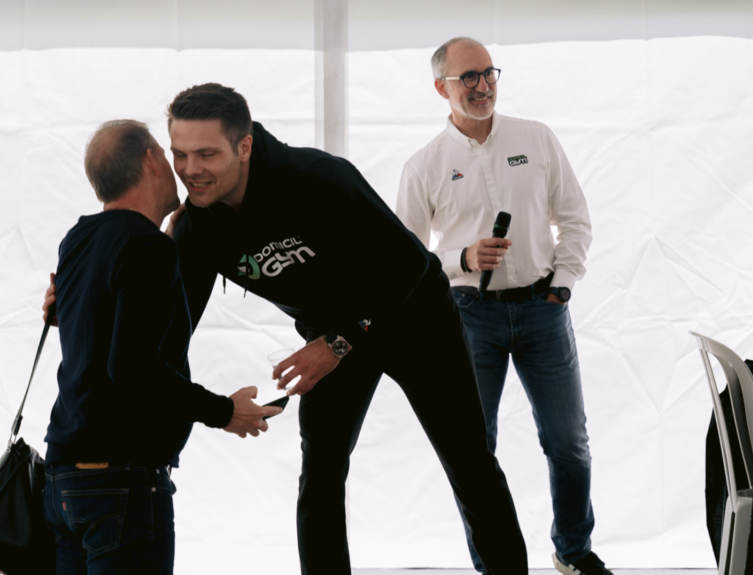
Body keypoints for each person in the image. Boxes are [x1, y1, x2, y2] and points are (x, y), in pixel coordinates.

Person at [169, 82, 528, 575]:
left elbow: (407, 268)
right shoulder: (197, 228)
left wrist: (338, 342)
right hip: (330, 338)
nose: (191, 169)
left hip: (413, 318)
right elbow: (167, 317)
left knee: (469, 461)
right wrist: (83, 295)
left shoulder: (317, 178)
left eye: (206, 153)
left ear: (245, 145)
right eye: (180, 154)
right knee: (320, 474)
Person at [396, 38, 610, 575]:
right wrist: (462, 256)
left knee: (569, 443)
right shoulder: (425, 165)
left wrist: (562, 283)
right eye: (467, 77)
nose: (482, 85)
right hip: (469, 317)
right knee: (473, 450)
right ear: (441, 87)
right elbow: (404, 258)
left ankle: (574, 552)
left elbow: (576, 218)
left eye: (488, 73)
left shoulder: (535, 139)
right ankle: (495, 564)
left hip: (543, 309)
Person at [41, 119, 280, 575]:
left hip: (63, 478)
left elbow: (99, 331)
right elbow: (130, 367)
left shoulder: (78, 239)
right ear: (151, 159)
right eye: (171, 155)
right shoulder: (146, 247)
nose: (183, 169)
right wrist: (223, 412)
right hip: (121, 483)